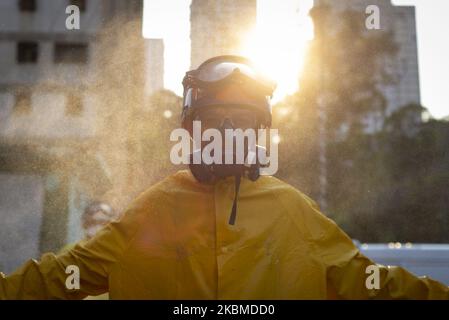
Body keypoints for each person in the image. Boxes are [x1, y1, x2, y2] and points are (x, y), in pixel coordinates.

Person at [1, 56, 448, 299]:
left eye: (242, 122)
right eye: (217, 121)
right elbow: (61, 277)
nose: (229, 134)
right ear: (191, 128)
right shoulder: (155, 209)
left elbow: (375, 285)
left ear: (261, 132)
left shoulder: (292, 211)